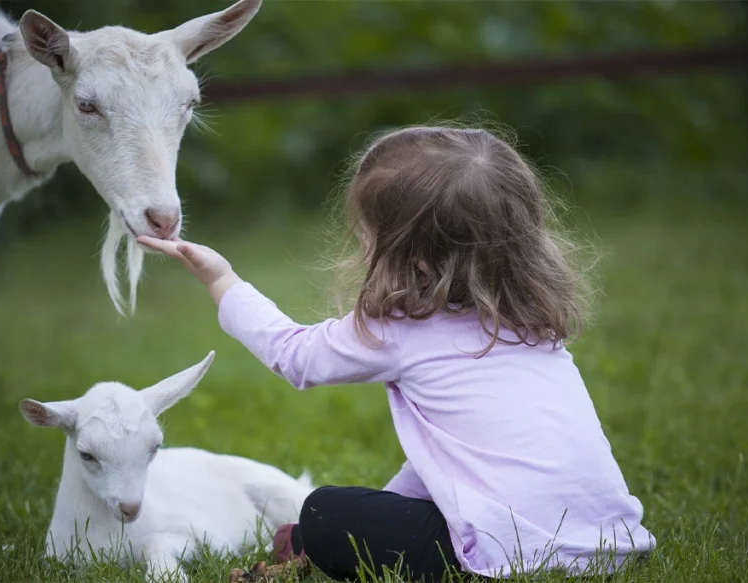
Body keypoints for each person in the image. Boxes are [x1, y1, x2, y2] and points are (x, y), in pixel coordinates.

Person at [138, 126, 655, 581]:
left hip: (510, 556)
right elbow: (449, 465)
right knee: (352, 513)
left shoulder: (402, 331)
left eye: (367, 233)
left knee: (324, 512)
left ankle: (310, 540)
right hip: (608, 546)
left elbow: (294, 355)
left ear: (410, 254)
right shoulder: (534, 329)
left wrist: (221, 278)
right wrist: (385, 506)